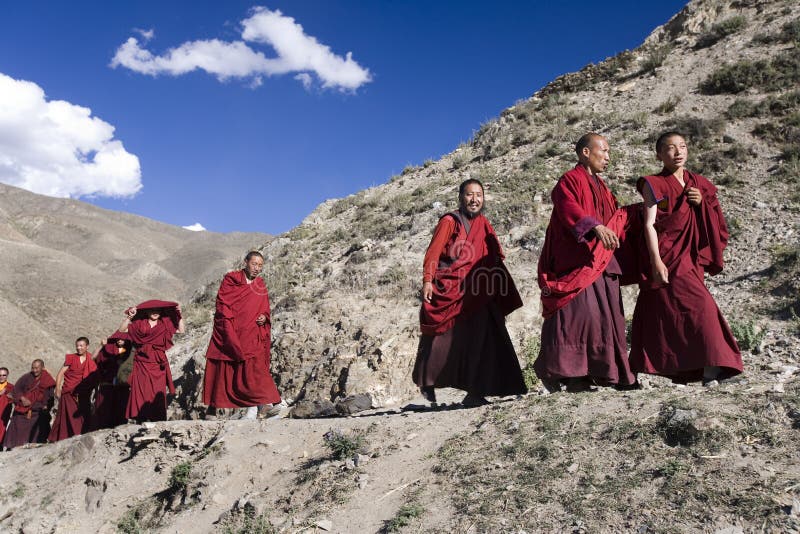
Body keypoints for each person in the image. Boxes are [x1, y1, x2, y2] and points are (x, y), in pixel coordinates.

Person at [630, 132, 743, 384]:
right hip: (668, 256)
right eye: (670, 148)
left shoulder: (697, 182)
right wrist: (656, 261)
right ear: (659, 155)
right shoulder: (652, 183)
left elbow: (715, 219)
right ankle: (713, 368)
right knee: (699, 307)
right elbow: (649, 224)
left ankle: (695, 369)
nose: (678, 152)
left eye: (682, 146)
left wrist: (701, 203)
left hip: (690, 257)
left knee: (679, 310)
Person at [535, 133, 637, 392]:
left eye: (609, 152)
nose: (608, 157)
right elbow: (568, 206)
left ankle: (609, 374)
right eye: (603, 151)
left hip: (601, 260)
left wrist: (648, 209)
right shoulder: (569, 180)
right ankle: (570, 375)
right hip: (577, 259)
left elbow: (616, 217)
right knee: (579, 315)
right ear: (585, 153)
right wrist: (594, 226)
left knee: (609, 317)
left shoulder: (602, 188)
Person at [412, 178, 527, 406]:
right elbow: (433, 252)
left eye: (479, 195)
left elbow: (493, 255)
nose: (475, 199)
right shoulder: (449, 221)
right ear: (460, 197)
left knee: (486, 339)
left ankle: (476, 392)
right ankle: (428, 379)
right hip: (454, 288)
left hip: (480, 292)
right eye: (469, 194)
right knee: (444, 337)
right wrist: (428, 280)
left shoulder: (483, 223)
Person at [203, 251, 281, 420]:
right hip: (231, 330)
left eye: (260, 265)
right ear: (246, 262)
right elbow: (222, 303)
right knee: (222, 367)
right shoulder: (231, 279)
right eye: (254, 264)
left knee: (255, 368)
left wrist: (264, 317)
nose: (257, 268)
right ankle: (212, 408)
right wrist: (228, 327)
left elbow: (264, 308)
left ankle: (265, 404)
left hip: (251, 333)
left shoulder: (260, 284)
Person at [115, 300, 184, 422]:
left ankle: (156, 417)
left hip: (157, 364)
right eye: (152, 310)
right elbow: (122, 329)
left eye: (157, 310)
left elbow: (181, 330)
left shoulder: (164, 325)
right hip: (142, 362)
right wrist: (130, 317)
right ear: (147, 312)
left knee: (157, 390)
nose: (155, 312)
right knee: (141, 390)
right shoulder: (139, 324)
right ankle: (140, 417)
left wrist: (179, 314)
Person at [48, 337, 98, 442]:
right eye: (77, 346)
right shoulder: (71, 358)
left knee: (83, 415)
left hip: (84, 392)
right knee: (66, 416)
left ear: (87, 346)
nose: (78, 348)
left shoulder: (91, 358)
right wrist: (57, 388)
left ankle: (81, 436)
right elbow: (60, 374)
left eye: (81, 345)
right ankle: (63, 437)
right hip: (68, 392)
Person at [3, 359, 56, 449]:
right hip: (24, 407)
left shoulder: (47, 379)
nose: (34, 370)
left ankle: (38, 444)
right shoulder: (26, 377)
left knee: (43, 419)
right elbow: (16, 390)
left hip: (38, 409)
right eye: (33, 368)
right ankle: (12, 446)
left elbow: (50, 395)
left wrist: (47, 405)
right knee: (16, 419)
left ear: (42, 368)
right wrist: (22, 398)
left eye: (37, 368)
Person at [91, 336, 132, 429]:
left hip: (122, 387)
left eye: (123, 338)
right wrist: (101, 346)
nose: (120, 340)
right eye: (118, 338)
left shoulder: (129, 351)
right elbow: (92, 358)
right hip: (106, 386)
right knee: (103, 414)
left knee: (120, 414)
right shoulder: (108, 350)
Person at [0, 367, 13, 445]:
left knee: (1, 429)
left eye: (4, 375)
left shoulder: (10, 387)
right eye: (0, 375)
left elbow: (14, 399)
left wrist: (8, 394)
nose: (1, 377)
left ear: (7, 375)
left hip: (3, 413)